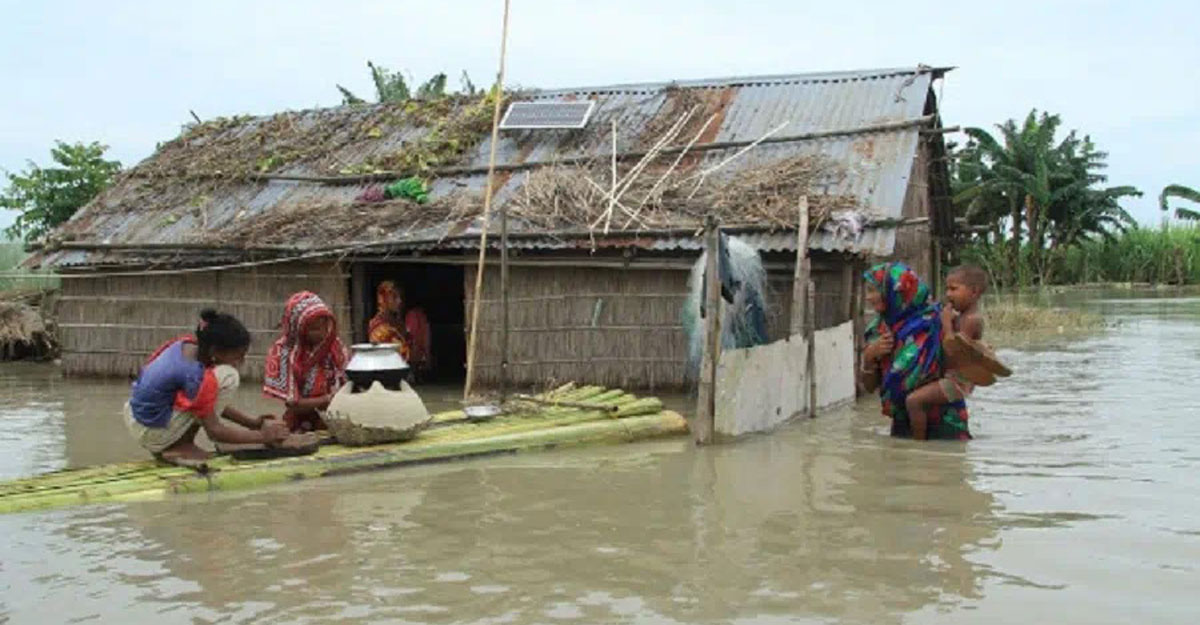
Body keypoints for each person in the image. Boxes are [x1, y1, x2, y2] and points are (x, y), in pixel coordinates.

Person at [125, 309, 289, 464]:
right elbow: (214, 431)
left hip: (138, 419)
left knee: (216, 381)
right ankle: (181, 446)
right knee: (229, 376)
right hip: (152, 431)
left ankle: (174, 442)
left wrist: (251, 423)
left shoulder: (185, 345)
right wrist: (263, 436)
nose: (241, 361)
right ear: (215, 351)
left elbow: (204, 402)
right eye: (238, 356)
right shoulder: (195, 376)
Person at [857, 262, 970, 441]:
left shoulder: (939, 321)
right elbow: (870, 387)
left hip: (947, 423)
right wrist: (869, 357)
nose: (868, 297)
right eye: (868, 291)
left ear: (897, 291)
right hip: (902, 423)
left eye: (873, 290)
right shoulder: (878, 330)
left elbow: (966, 370)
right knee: (907, 462)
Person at [904, 265, 988, 439]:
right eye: (947, 289)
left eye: (954, 289)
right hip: (951, 376)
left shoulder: (972, 320)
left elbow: (954, 348)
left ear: (974, 292)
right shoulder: (962, 316)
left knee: (914, 401)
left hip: (957, 381)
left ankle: (918, 445)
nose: (948, 294)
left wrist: (946, 324)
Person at [263, 291, 348, 432]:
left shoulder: (334, 345)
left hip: (335, 418)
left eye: (325, 326)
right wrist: (327, 399)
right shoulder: (283, 352)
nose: (322, 333)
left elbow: (347, 380)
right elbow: (293, 404)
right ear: (299, 328)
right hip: (299, 424)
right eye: (314, 329)